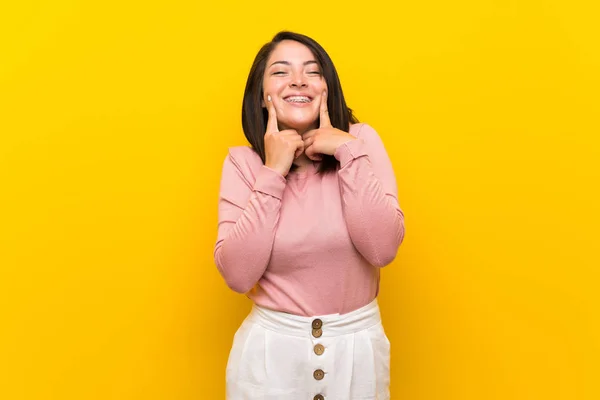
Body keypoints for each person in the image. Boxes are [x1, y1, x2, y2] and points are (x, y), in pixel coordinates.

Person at [214, 31, 405, 400]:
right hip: (271, 356)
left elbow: (382, 249)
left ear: (326, 88)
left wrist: (348, 152)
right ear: (262, 95)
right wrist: (272, 172)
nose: (298, 80)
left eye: (312, 72)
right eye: (281, 72)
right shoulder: (243, 163)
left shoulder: (361, 143)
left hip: (357, 352)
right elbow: (238, 274)